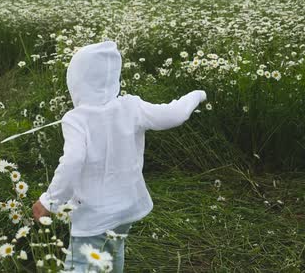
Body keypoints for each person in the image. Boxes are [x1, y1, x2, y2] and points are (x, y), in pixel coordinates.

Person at [32, 40, 207, 272]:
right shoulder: (131, 107)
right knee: (113, 253)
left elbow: (73, 160)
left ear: (76, 82)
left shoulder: (76, 119)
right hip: (126, 209)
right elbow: (174, 114)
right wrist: (197, 94)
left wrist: (49, 201)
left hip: (94, 216)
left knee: (80, 265)